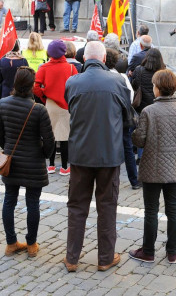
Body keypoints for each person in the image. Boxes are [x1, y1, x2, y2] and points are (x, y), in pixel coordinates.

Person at [63, 41, 132, 272]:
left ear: (84, 59)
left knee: (77, 206)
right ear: (103, 59)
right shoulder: (117, 81)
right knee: (107, 206)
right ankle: (105, 258)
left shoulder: (73, 81)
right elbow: (127, 118)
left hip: (80, 153)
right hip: (108, 154)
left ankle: (72, 258)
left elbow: (70, 107)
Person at [129, 69, 176, 264]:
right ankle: (173, 252)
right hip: (175, 167)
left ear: (157, 88)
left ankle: (148, 251)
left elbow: (139, 140)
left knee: (151, 210)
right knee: (173, 209)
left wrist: (134, 133)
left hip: (152, 168)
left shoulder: (149, 111)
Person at [0, 67, 55, 257]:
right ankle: (31, 244)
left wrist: (9, 147)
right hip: (33, 164)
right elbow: (50, 141)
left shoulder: (3, 104)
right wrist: (42, 153)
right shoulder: (38, 109)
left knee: (9, 200)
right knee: (33, 203)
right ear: (31, 86)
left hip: (11, 162)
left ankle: (11, 243)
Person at [34, 40, 78, 176]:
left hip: (50, 104)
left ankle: (51, 165)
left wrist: (44, 97)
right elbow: (77, 86)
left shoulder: (44, 67)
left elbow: (35, 86)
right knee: (65, 136)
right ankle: (65, 167)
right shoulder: (71, 68)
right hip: (66, 104)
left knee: (51, 134)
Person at [106, 48, 138, 189]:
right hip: (122, 118)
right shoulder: (122, 78)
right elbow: (130, 97)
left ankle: (107, 181)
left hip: (106, 118)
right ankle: (134, 180)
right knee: (128, 148)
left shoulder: (103, 76)